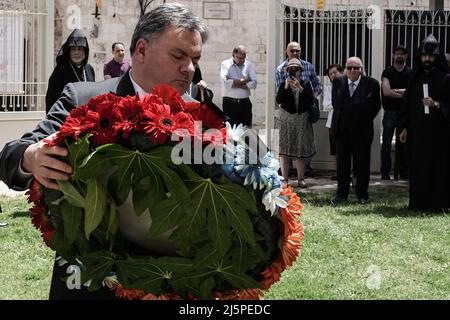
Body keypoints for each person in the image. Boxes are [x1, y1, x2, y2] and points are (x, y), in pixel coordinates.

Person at [0, 3, 208, 299]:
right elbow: (11, 156)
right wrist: (31, 158)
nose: (189, 68)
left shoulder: (204, 117)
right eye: (178, 55)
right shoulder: (82, 99)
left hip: (174, 284)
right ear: (141, 50)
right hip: (90, 284)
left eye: (195, 58)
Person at [398, 35, 450, 212]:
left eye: (431, 56)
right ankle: (418, 203)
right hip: (417, 132)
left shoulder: (446, 78)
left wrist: (436, 104)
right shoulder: (415, 79)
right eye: (424, 56)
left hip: (439, 133)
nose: (427, 59)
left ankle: (438, 204)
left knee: (438, 167)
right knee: (418, 167)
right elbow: (406, 104)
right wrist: (404, 126)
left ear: (437, 57)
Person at [331, 57, 381, 204]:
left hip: (362, 132)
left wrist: (362, 119)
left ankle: (362, 195)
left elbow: (376, 106)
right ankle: (341, 194)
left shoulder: (371, 84)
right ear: (346, 69)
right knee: (342, 165)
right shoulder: (338, 82)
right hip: (342, 131)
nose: (353, 70)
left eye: (356, 68)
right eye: (350, 67)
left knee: (362, 165)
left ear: (361, 69)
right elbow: (335, 103)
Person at [275, 42, 322, 177]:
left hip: (302, 116)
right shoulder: (280, 70)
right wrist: (286, 86)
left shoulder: (308, 68)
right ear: (286, 52)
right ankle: (285, 176)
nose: (295, 53)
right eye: (292, 51)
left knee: (302, 148)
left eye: (297, 51)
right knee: (284, 148)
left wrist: (306, 95)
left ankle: (303, 174)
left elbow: (317, 86)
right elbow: (279, 99)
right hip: (286, 117)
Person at [45, 29, 95, 114]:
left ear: (85, 51)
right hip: (66, 116)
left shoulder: (89, 69)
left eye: (79, 49)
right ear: (69, 52)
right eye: (73, 49)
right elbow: (51, 98)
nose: (76, 52)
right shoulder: (60, 70)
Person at [380, 46, 411, 180]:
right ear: (393, 56)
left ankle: (403, 172)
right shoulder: (387, 72)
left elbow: (413, 92)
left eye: (402, 54)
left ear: (406, 56)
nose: (399, 56)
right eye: (397, 54)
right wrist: (404, 94)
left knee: (405, 144)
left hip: (405, 113)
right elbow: (386, 91)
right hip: (390, 112)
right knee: (386, 144)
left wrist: (396, 91)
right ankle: (385, 172)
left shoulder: (410, 72)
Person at [220, 45, 257, 127]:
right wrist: (245, 81)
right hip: (230, 104)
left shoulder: (248, 65)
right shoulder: (225, 64)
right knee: (230, 132)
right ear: (233, 55)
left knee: (246, 132)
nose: (242, 60)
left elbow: (254, 84)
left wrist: (233, 81)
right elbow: (226, 83)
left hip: (245, 103)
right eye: (239, 58)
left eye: (243, 58)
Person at [323, 64, 344, 180]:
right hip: (332, 122)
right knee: (334, 150)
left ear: (341, 72)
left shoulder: (347, 86)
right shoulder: (329, 88)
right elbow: (326, 105)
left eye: (335, 72)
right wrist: (339, 105)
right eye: (330, 74)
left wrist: (336, 105)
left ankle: (348, 172)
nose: (333, 75)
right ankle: (338, 172)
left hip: (346, 122)